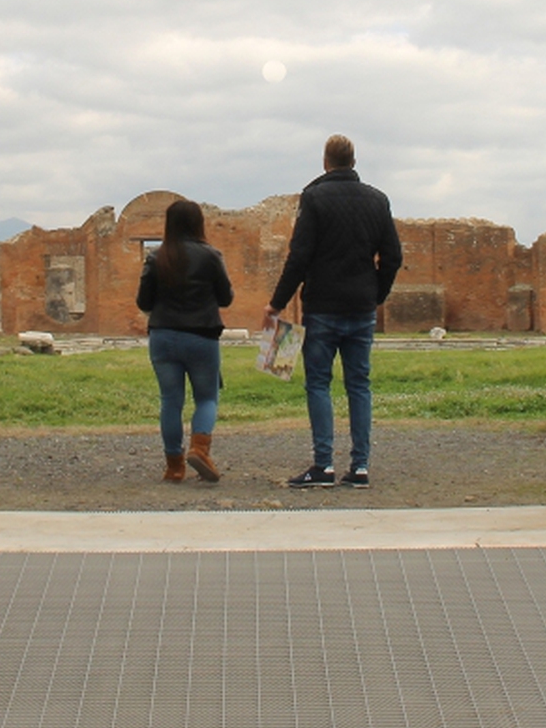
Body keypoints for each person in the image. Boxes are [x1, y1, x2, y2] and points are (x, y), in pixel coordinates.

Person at [262, 134, 402, 489]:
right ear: (353, 162)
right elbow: (393, 256)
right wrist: (375, 293)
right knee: (359, 385)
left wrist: (276, 303)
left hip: (322, 306)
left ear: (326, 162)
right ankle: (360, 467)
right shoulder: (378, 200)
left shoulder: (314, 197)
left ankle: (323, 465)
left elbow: (299, 256)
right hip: (361, 307)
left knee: (319, 384)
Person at [137, 198, 234, 482]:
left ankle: (174, 466)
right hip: (202, 336)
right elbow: (226, 298)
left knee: (170, 401)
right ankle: (199, 450)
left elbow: (143, 301)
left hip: (163, 336)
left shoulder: (156, 258)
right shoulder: (211, 256)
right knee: (206, 398)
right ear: (198, 223)